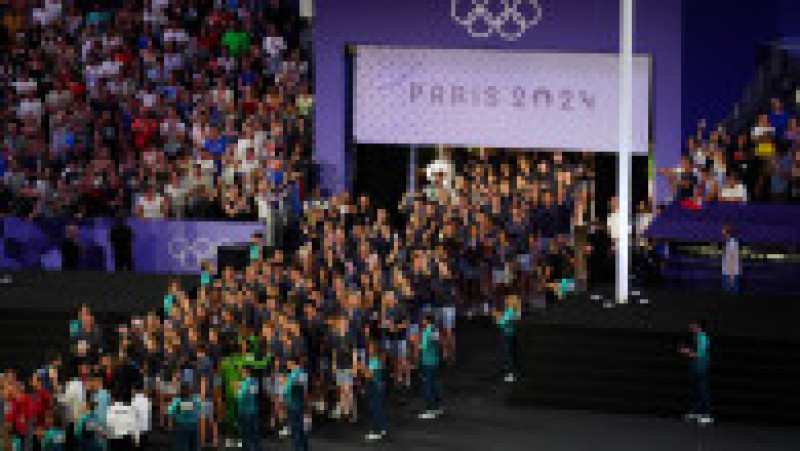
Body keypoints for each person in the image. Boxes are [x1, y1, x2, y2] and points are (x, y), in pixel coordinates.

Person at [679, 320, 712, 425]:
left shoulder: (702, 337)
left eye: (693, 324)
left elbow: (699, 355)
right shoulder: (697, 337)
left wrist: (687, 352)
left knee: (703, 391)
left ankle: (707, 415)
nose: (690, 326)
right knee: (696, 391)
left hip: (702, 368)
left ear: (698, 326)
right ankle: (696, 412)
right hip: (696, 368)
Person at [357, 341, 387, 442]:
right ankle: (381, 428)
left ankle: (377, 430)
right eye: (368, 348)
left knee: (375, 408)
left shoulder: (375, 360)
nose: (368, 350)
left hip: (374, 386)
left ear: (374, 350)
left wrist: (361, 368)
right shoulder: (375, 360)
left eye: (370, 348)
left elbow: (369, 375)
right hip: (376, 386)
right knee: (378, 407)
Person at [417, 314, 443, 420]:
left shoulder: (426, 332)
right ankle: (437, 407)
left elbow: (423, 347)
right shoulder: (435, 330)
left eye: (423, 320)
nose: (421, 322)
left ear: (426, 321)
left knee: (428, 386)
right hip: (435, 360)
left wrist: (416, 343)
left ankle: (430, 409)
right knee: (434, 384)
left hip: (427, 361)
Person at [282, 359, 309, 451]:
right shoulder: (298, 374)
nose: (287, 365)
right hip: (296, 405)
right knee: (300, 429)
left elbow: (296, 390)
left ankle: (299, 448)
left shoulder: (295, 375)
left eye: (288, 363)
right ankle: (304, 447)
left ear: (293, 363)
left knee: (296, 429)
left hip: (295, 405)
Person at [493, 295, 521, 383]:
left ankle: (510, 373)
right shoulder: (514, 312)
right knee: (511, 354)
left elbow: (501, 322)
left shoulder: (510, 312)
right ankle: (511, 372)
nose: (505, 302)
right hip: (511, 335)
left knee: (508, 355)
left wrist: (497, 315)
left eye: (507, 300)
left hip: (507, 335)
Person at [166, 383, 201, 451]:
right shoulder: (177, 401)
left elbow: (199, 413)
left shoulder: (194, 399)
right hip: (183, 428)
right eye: (183, 390)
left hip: (192, 428)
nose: (185, 391)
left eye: (186, 389)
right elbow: (171, 415)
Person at [235, 368, 260, 451]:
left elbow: (250, 395)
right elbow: (238, 397)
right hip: (244, 411)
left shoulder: (252, 381)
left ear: (247, 372)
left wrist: (240, 389)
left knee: (250, 433)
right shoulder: (242, 383)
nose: (242, 374)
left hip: (249, 411)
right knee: (246, 434)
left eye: (243, 372)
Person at [721, 226, 741, 295]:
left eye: (723, 231)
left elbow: (733, 258)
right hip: (728, 272)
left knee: (731, 292)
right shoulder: (728, 242)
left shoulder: (732, 243)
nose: (722, 232)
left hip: (730, 273)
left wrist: (731, 275)